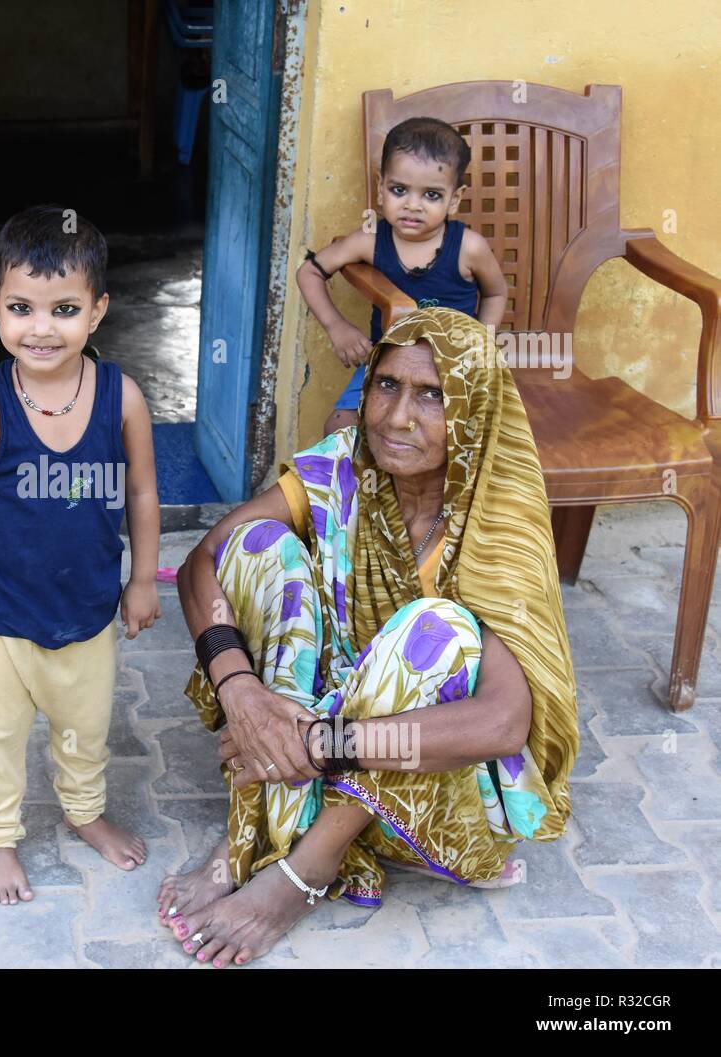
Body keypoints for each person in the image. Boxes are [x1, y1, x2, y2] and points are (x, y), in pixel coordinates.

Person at [156, 307, 578, 967]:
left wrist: (324, 743)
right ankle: (259, 818)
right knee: (258, 544)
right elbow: (205, 559)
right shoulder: (344, 467)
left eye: (432, 395)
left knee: (433, 630)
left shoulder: (497, 527)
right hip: (302, 746)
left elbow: (501, 722)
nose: (394, 416)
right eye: (385, 385)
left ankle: (303, 870)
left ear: (473, 410)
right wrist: (240, 693)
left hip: (436, 789)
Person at [0, 205, 161, 905]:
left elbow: (141, 491)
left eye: (64, 308)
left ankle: (84, 812)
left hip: (89, 608)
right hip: (2, 616)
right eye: (21, 308)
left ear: (98, 311)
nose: (41, 327)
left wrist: (140, 580)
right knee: (0, 734)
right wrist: (16, 547)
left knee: (85, 729)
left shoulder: (121, 398)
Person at [298, 117, 508, 437]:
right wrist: (336, 327)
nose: (413, 205)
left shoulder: (469, 248)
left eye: (432, 195)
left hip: (450, 368)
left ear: (455, 197)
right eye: (399, 190)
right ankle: (361, 488)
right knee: (338, 428)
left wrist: (481, 342)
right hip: (385, 366)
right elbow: (309, 271)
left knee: (450, 438)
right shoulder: (368, 240)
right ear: (381, 187)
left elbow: (495, 294)